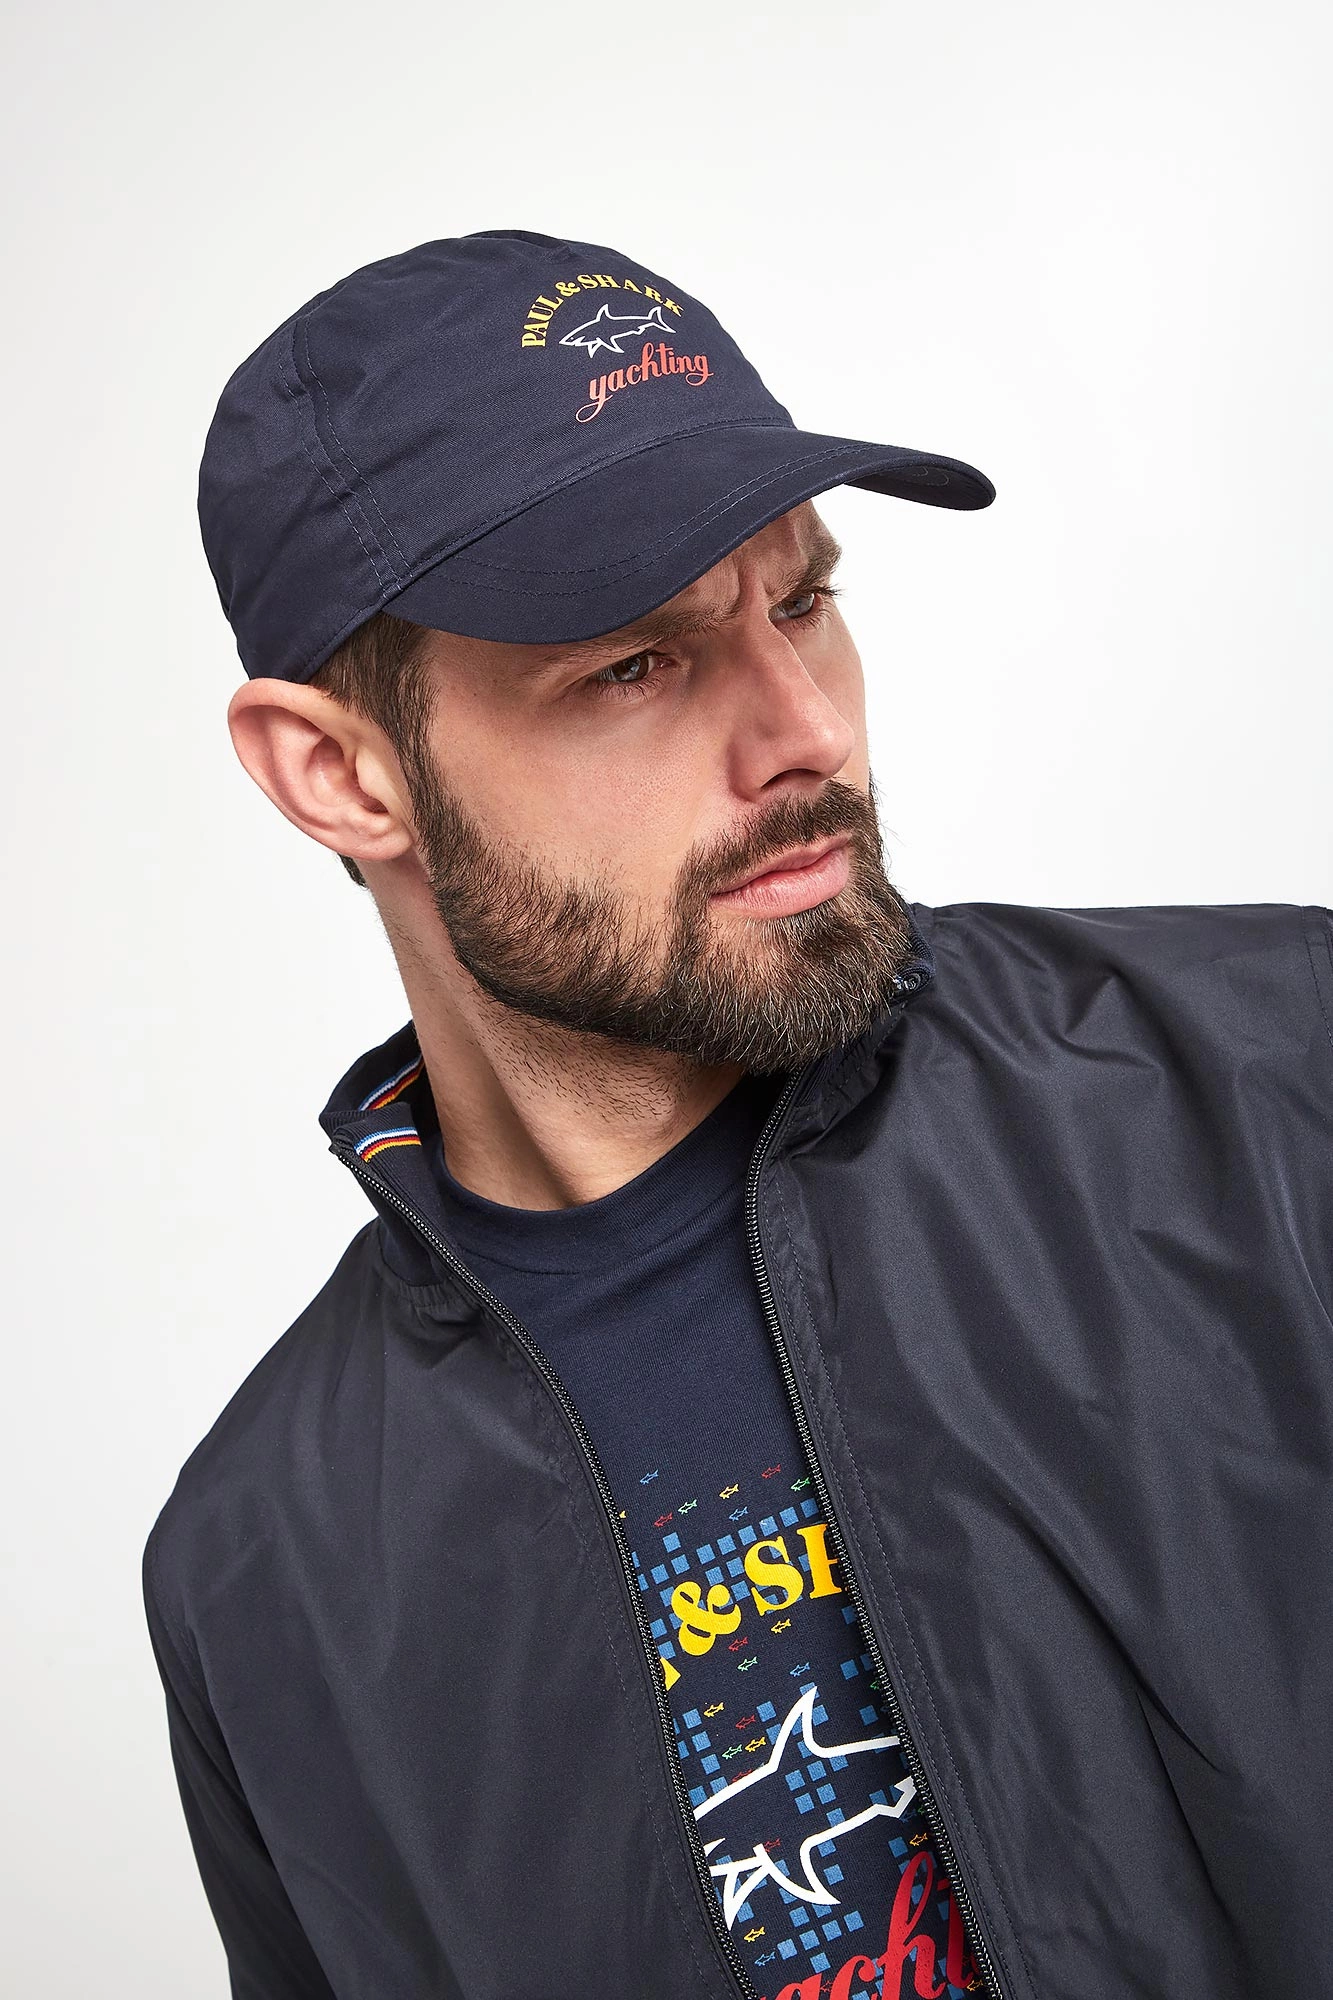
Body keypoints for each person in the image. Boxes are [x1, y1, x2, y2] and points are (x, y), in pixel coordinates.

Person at [144, 230, 1332, 2000]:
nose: (804, 733)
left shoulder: (1275, 1083)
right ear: (341, 772)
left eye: (802, 602)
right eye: (633, 665)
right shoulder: (268, 1572)